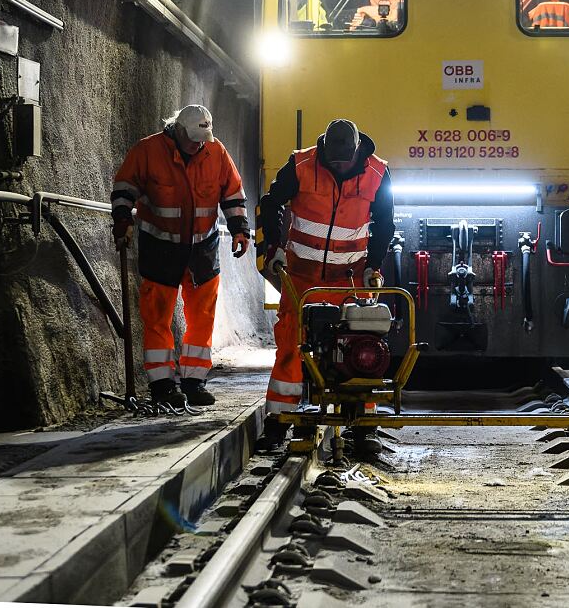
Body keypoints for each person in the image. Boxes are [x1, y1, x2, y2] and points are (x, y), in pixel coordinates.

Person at [255, 119, 395, 449]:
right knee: (290, 346)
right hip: (302, 279)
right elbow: (271, 202)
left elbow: (385, 223)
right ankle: (277, 423)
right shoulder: (302, 163)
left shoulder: (377, 173)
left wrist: (373, 266)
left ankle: (363, 426)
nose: (338, 164)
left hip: (349, 278)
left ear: (357, 150)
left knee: (359, 350)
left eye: (344, 159)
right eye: (333, 159)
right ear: (325, 149)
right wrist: (273, 248)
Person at [111, 105, 251, 408]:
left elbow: (232, 193)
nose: (198, 145)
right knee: (157, 317)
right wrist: (122, 218)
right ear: (176, 130)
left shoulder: (215, 151)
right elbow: (125, 187)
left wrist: (240, 229)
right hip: (161, 247)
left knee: (202, 317)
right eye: (193, 139)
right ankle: (162, 385)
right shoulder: (148, 151)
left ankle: (193, 381)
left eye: (203, 139)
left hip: (202, 250)